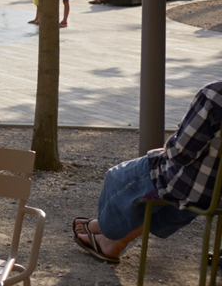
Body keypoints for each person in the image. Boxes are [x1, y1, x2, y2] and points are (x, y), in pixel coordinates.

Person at [74, 80, 222, 264]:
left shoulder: (215, 95)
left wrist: (171, 141)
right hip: (216, 197)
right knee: (164, 193)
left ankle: (105, 229)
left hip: (190, 187)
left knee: (117, 175)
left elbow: (179, 153)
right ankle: (112, 242)